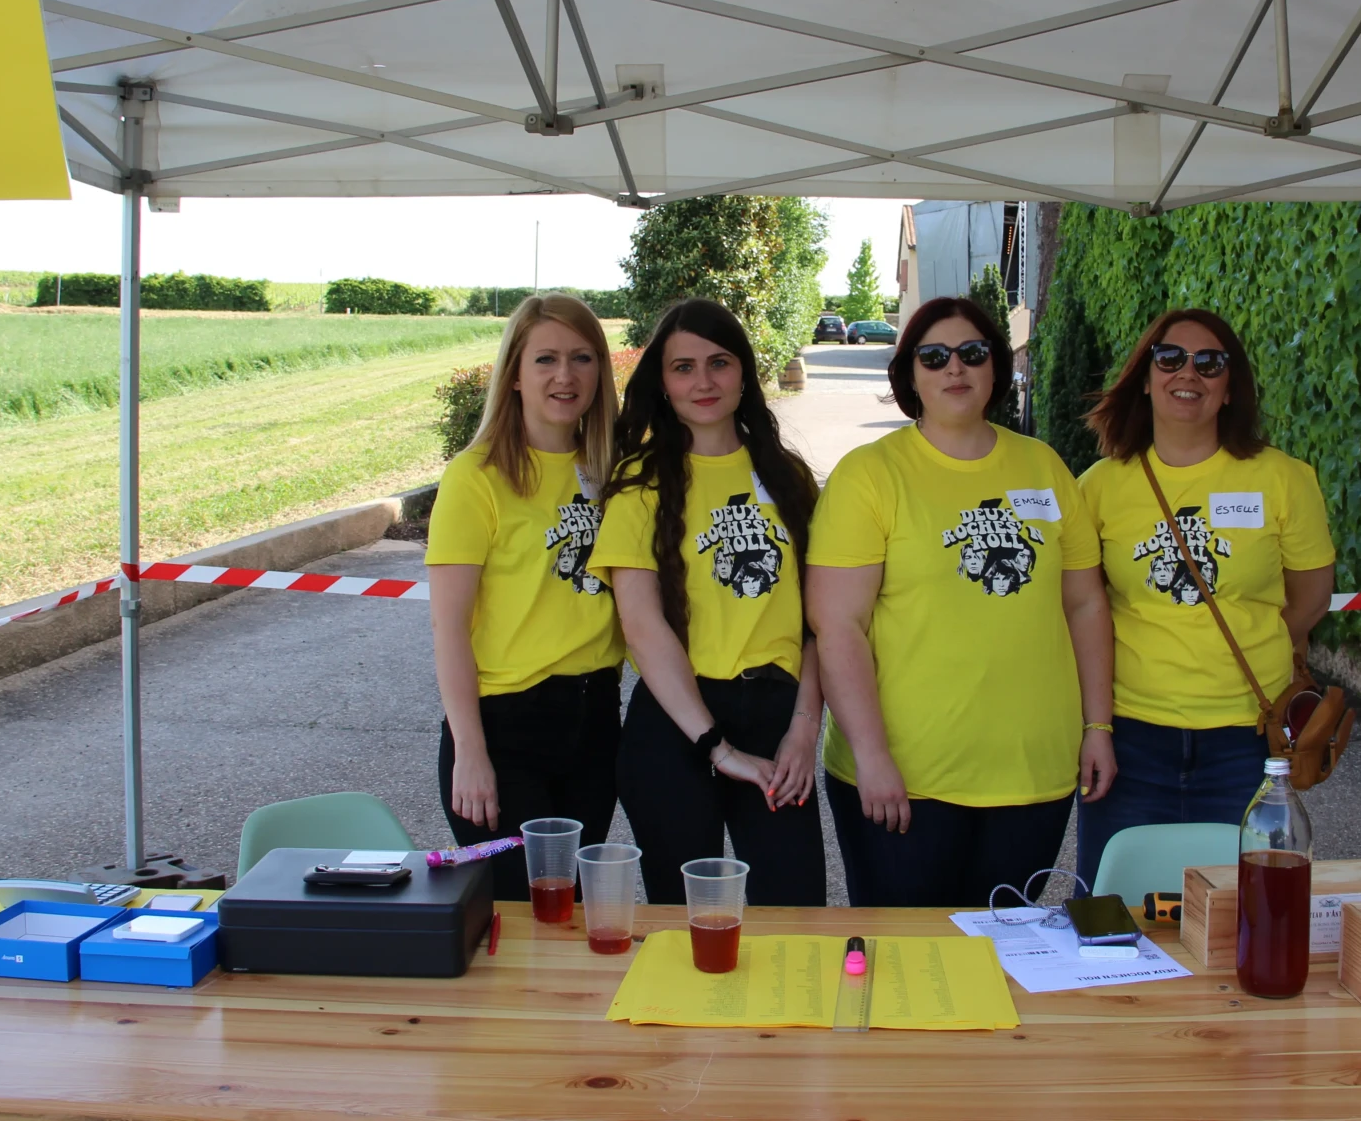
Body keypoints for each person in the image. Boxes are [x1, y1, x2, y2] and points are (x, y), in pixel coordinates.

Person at [808, 295, 1117, 908]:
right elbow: (837, 624)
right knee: (905, 955)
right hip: (906, 780)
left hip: (1032, 774)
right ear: (910, 374)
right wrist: (871, 755)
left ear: (997, 366)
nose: (955, 367)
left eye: (972, 353)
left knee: (1002, 951)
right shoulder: (870, 475)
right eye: (934, 356)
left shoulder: (1044, 467)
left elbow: (1085, 606)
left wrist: (1098, 727)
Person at [1074, 307, 1336, 884]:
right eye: (1169, 358)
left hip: (1247, 742)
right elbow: (1083, 610)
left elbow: (1312, 597)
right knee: (1115, 912)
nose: (1187, 373)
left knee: (1246, 910)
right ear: (1145, 378)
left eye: (1210, 363)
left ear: (1230, 387)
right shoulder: (1098, 488)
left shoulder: (1284, 480)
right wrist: (1096, 730)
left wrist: (1250, 645)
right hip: (1130, 739)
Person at [589, 298, 827, 907]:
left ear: (744, 373)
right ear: (663, 383)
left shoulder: (791, 479)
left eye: (719, 362)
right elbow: (643, 628)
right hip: (677, 724)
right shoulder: (639, 486)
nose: (703, 381)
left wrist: (804, 730)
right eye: (683, 367)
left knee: (794, 913)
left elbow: (821, 622)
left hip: (777, 718)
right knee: (686, 926)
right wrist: (716, 748)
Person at [426, 293, 624, 902]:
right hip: (505, 729)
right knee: (525, 915)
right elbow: (449, 628)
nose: (565, 375)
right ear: (514, 373)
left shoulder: (614, 471)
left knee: (572, 910)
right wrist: (470, 751)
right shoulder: (476, 477)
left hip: (595, 722)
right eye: (545, 359)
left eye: (582, 358)